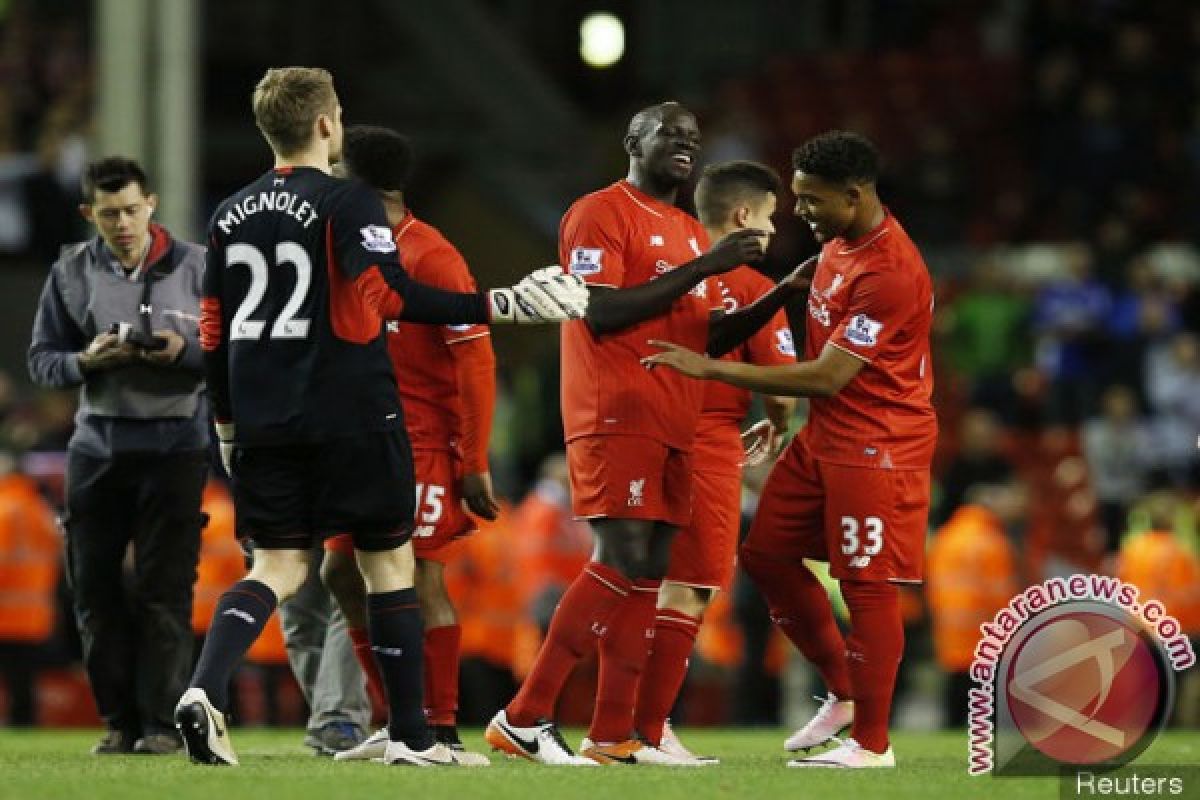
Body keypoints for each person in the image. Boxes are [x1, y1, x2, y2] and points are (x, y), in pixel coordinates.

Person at [174, 66, 586, 768]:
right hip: (352, 413)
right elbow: (390, 297)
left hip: (262, 419)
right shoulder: (348, 202)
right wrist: (501, 303)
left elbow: (212, 329)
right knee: (390, 564)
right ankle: (415, 737)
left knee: (279, 565)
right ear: (328, 125)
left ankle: (204, 690)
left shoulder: (227, 212)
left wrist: (227, 427)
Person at [486, 101, 809, 766]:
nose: (686, 144)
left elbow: (699, 334)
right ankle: (524, 715)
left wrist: (779, 295)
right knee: (622, 556)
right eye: (671, 134)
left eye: (694, 137)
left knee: (646, 568)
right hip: (616, 406)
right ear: (634, 140)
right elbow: (598, 311)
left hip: (672, 416)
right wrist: (705, 268)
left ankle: (614, 734)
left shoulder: (689, 232)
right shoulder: (599, 212)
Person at [644, 130, 936, 768]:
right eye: (797, 198)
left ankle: (872, 744)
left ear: (854, 196)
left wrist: (713, 369)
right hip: (825, 436)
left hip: (877, 443)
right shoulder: (837, 245)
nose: (800, 211)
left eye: (812, 200)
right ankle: (844, 690)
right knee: (767, 556)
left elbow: (827, 376)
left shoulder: (890, 269)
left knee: (866, 584)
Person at [321, 125, 498, 766]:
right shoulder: (347, 247)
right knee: (339, 572)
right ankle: (396, 718)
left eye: (336, 170)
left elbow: (475, 362)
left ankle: (441, 726)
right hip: (360, 441)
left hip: (422, 441)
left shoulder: (432, 256)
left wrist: (473, 460)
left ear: (359, 183)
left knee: (420, 576)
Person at [27, 156, 210, 755]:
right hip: (99, 447)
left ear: (152, 203)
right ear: (89, 215)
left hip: (176, 445)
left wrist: (184, 353)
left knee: (167, 590)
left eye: (132, 210)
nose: (123, 223)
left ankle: (160, 725)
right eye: (109, 215)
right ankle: (119, 722)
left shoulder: (199, 266)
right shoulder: (71, 271)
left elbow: (233, 353)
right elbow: (42, 361)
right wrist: (86, 362)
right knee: (95, 591)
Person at [619, 161, 797, 764]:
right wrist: (778, 420)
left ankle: (607, 724)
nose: (774, 229)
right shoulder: (750, 285)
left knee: (632, 584)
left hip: (638, 436)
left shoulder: (664, 270)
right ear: (743, 216)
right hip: (707, 445)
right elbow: (780, 383)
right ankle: (646, 731)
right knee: (688, 590)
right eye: (771, 215)